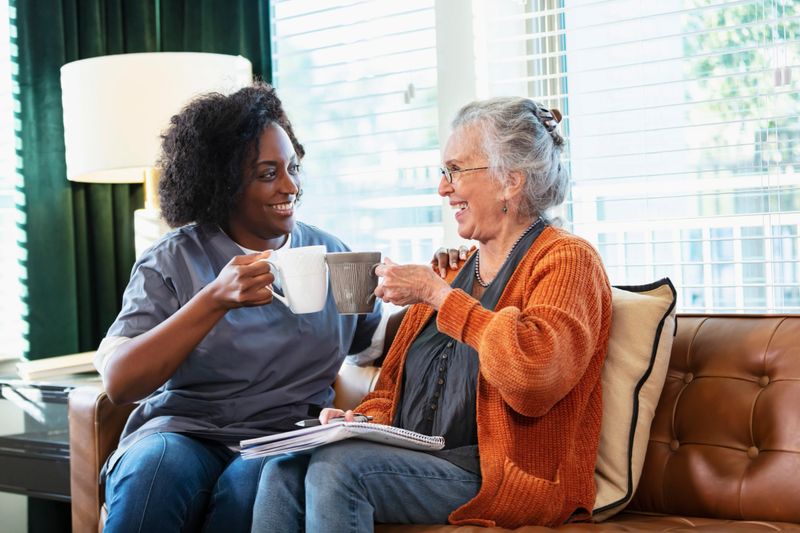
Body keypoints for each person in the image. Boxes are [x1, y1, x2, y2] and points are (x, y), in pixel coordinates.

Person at [251, 97, 613, 531]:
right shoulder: (458, 268)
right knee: (282, 469)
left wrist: (438, 295)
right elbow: (390, 391)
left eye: (455, 171)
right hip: (424, 459)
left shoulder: (567, 259)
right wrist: (361, 423)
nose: (443, 188)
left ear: (510, 181)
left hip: (504, 475)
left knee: (339, 470)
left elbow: (535, 377)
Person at [95, 82, 386, 533]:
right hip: (183, 434)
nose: (290, 186)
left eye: (292, 168)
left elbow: (377, 345)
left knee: (255, 485)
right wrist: (213, 298)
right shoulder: (174, 259)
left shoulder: (331, 253)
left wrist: (442, 290)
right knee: (155, 469)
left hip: (284, 437)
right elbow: (120, 382)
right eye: (268, 173)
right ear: (223, 183)